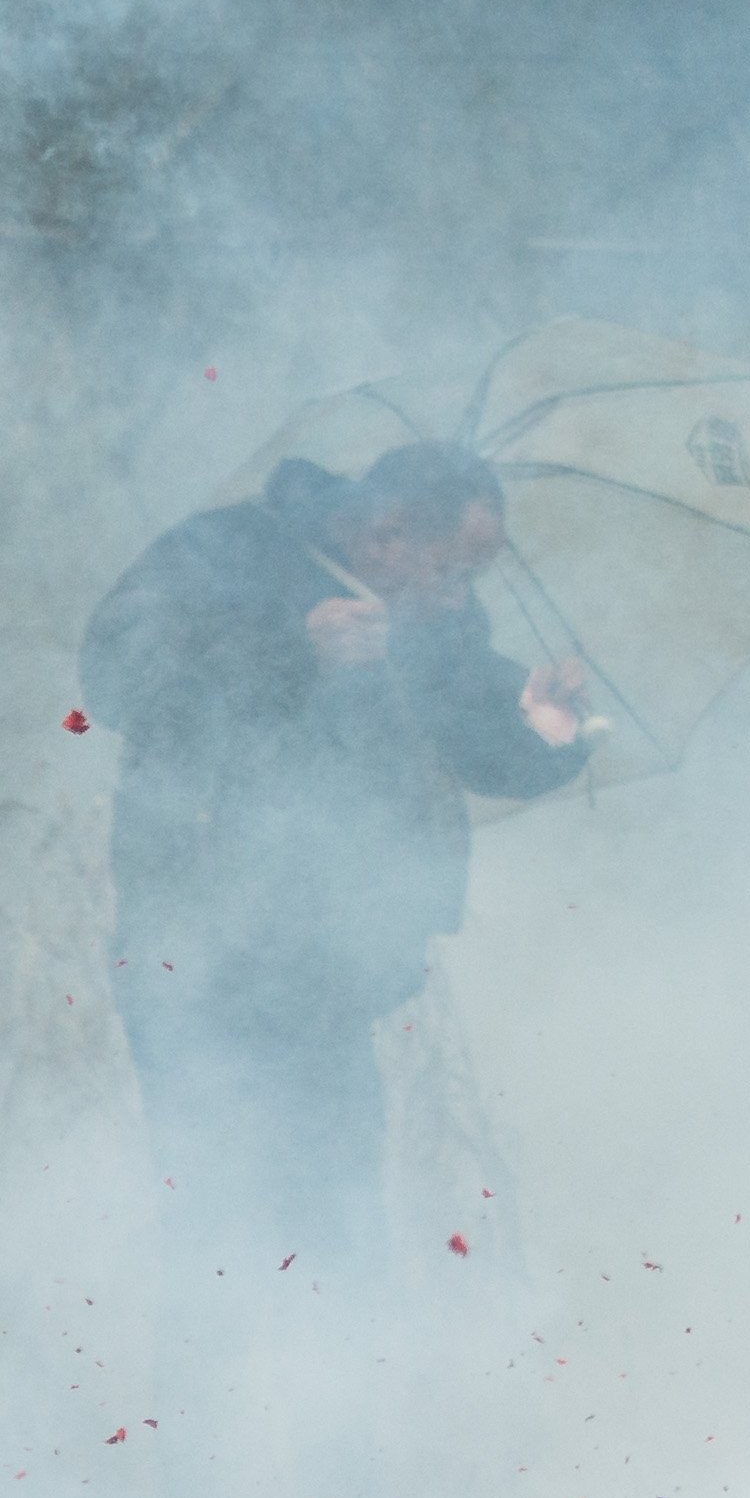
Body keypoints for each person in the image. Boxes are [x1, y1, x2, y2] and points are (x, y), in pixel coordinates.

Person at [75, 441, 594, 1286]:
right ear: (383, 532)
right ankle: (207, 1417)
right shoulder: (226, 552)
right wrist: (289, 645)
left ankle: (339, 1415)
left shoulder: (431, 616)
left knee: (341, 1221)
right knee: (218, 1219)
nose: (462, 596)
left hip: (334, 970)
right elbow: (112, 678)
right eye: (453, 568)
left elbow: (472, 731)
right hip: (198, 956)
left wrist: (543, 727)